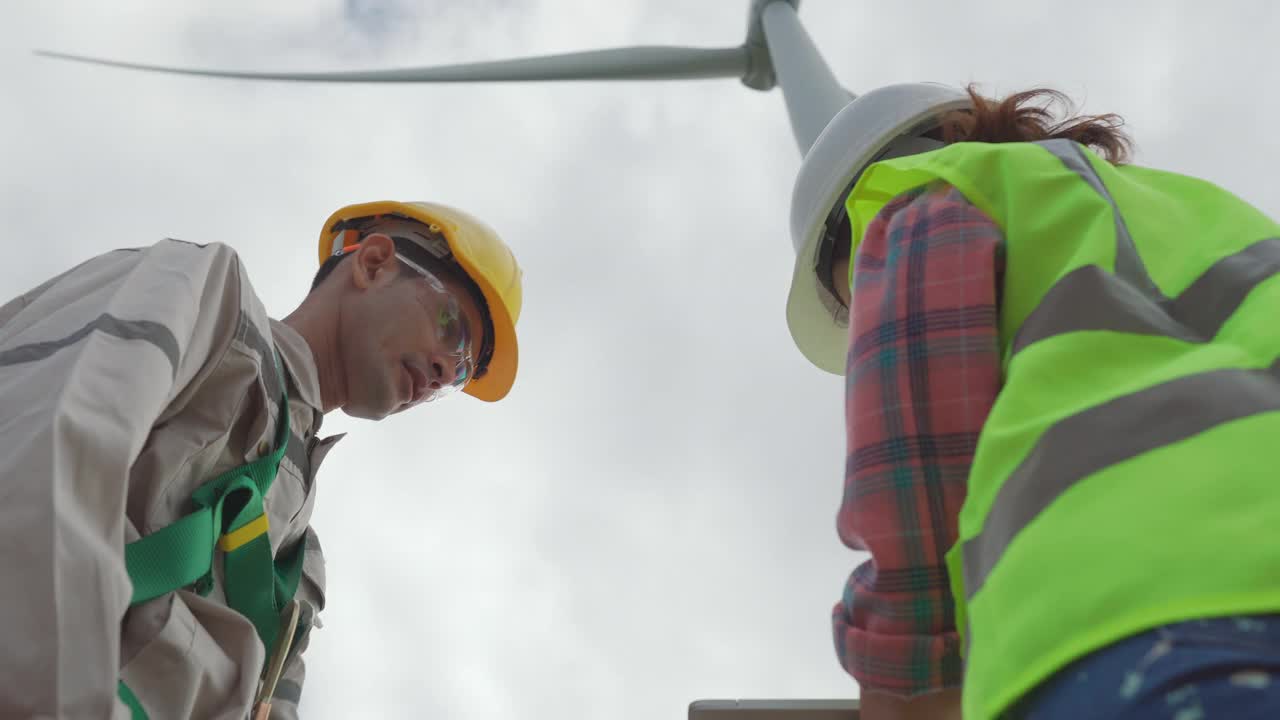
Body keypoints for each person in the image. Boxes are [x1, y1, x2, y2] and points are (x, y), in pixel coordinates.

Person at [784, 83, 1280, 719]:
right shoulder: (1192, 208)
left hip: (1144, 616)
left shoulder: (928, 195)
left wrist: (908, 687)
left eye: (854, 291)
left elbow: (917, 464)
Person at [0, 200, 524, 719]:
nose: (442, 370)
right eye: (451, 326)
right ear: (373, 264)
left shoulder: (301, 565)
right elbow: (37, 456)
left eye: (458, 373)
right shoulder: (207, 296)